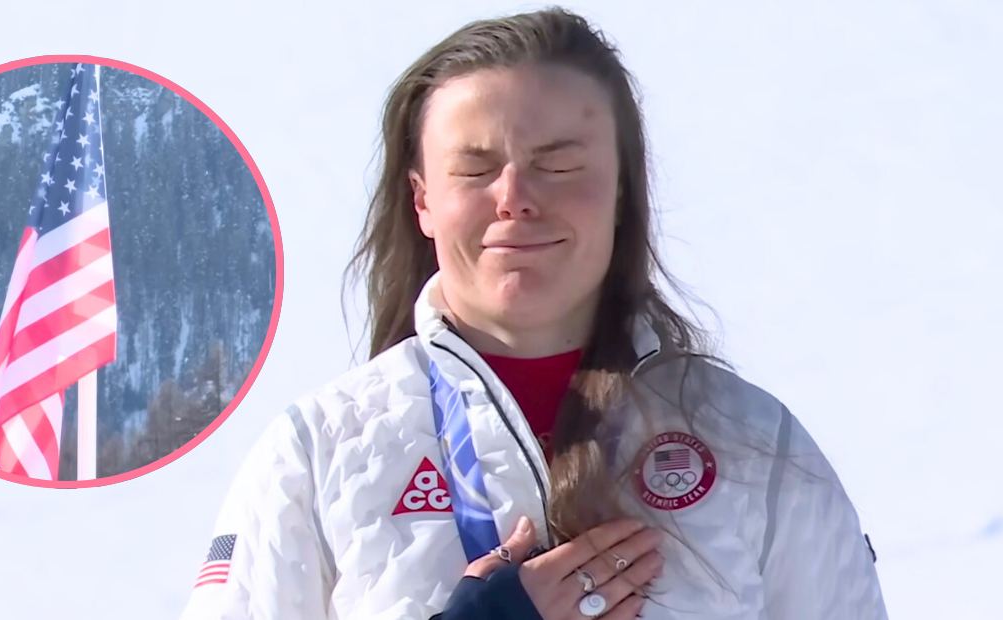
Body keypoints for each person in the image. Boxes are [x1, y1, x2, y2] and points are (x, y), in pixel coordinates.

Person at [178, 7, 888, 620]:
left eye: (559, 163)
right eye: (476, 167)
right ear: (423, 201)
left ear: (620, 193)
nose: (515, 196)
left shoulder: (757, 452)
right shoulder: (318, 453)